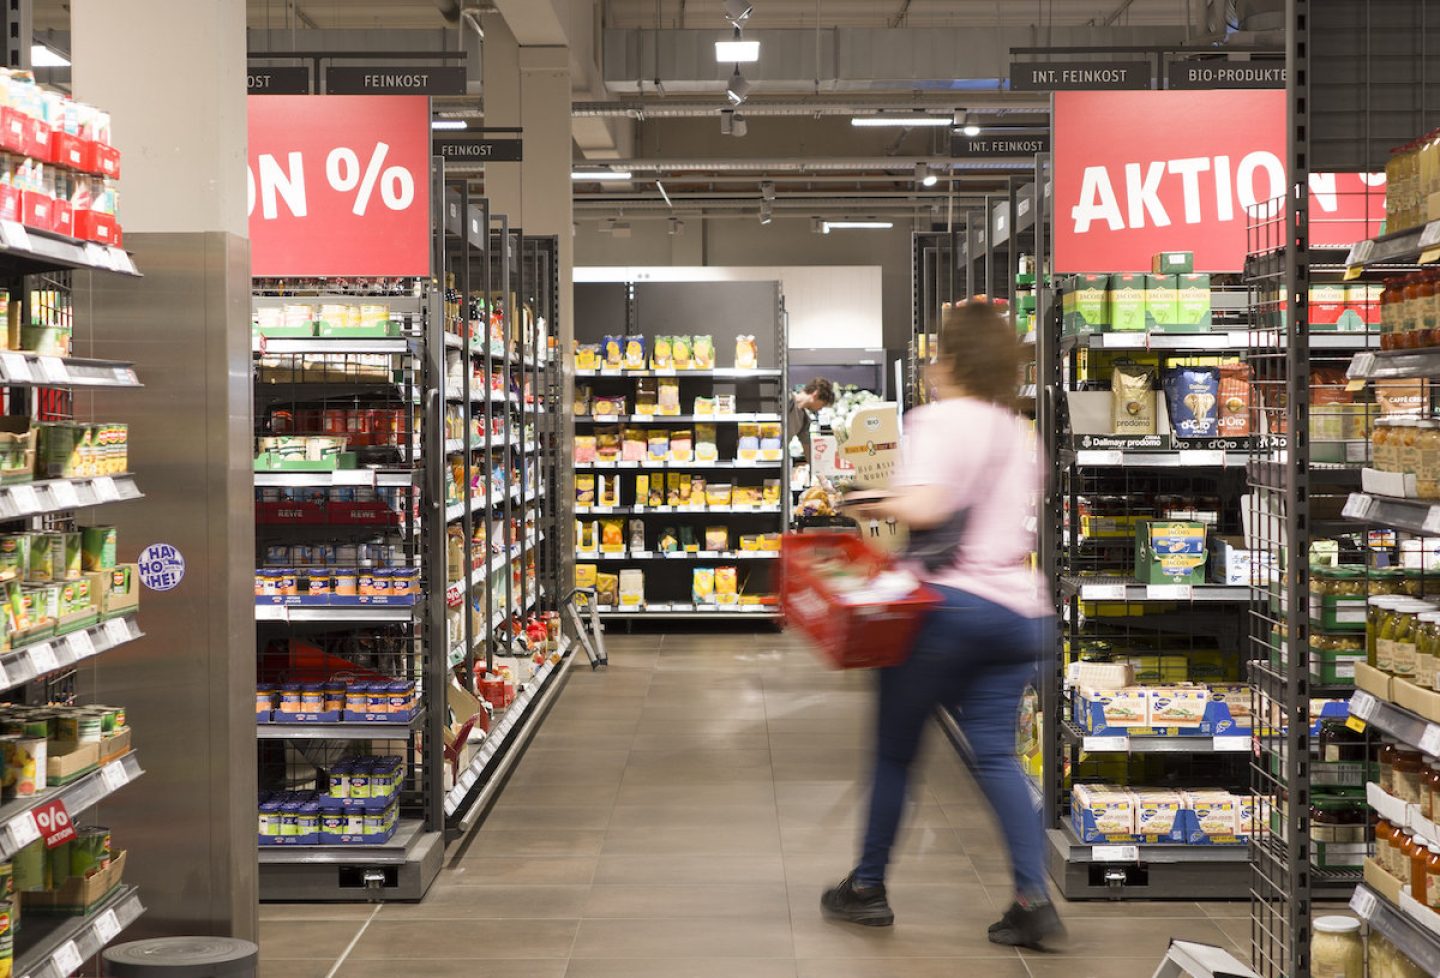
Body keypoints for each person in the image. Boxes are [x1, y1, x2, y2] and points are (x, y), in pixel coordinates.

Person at [820, 300, 1061, 949]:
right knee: (997, 755)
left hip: (948, 612)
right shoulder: (1021, 432)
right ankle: (1033, 899)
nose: (929, 366)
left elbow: (926, 508)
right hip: (1020, 614)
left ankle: (867, 888)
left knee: (896, 751)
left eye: (935, 355)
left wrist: (862, 499)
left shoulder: (938, 420)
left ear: (951, 360)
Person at [788, 376, 836, 465]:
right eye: (823, 404)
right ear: (816, 394)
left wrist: (822, 478)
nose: (820, 409)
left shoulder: (804, 420)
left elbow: (808, 451)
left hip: (777, 460)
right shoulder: (787, 398)